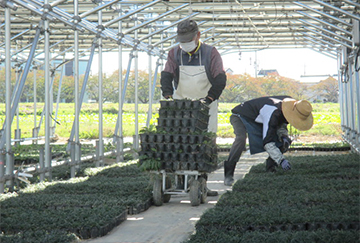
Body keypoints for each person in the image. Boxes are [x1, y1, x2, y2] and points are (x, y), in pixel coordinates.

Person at [160, 19, 227, 196]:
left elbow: (220, 78)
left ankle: (202, 183)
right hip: (181, 104)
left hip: (206, 103)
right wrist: (168, 95)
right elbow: (167, 74)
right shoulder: (174, 53)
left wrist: (210, 98)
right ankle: (181, 180)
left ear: (198, 35)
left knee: (205, 144)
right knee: (180, 142)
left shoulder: (210, 53)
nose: (185, 44)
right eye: (182, 40)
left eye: (188, 39)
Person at [224, 96, 313, 186]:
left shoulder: (289, 107)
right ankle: (228, 174)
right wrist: (281, 160)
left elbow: (281, 124)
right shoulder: (272, 112)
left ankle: (271, 167)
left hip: (258, 119)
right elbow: (267, 142)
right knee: (240, 139)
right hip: (240, 116)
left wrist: (284, 136)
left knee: (282, 141)